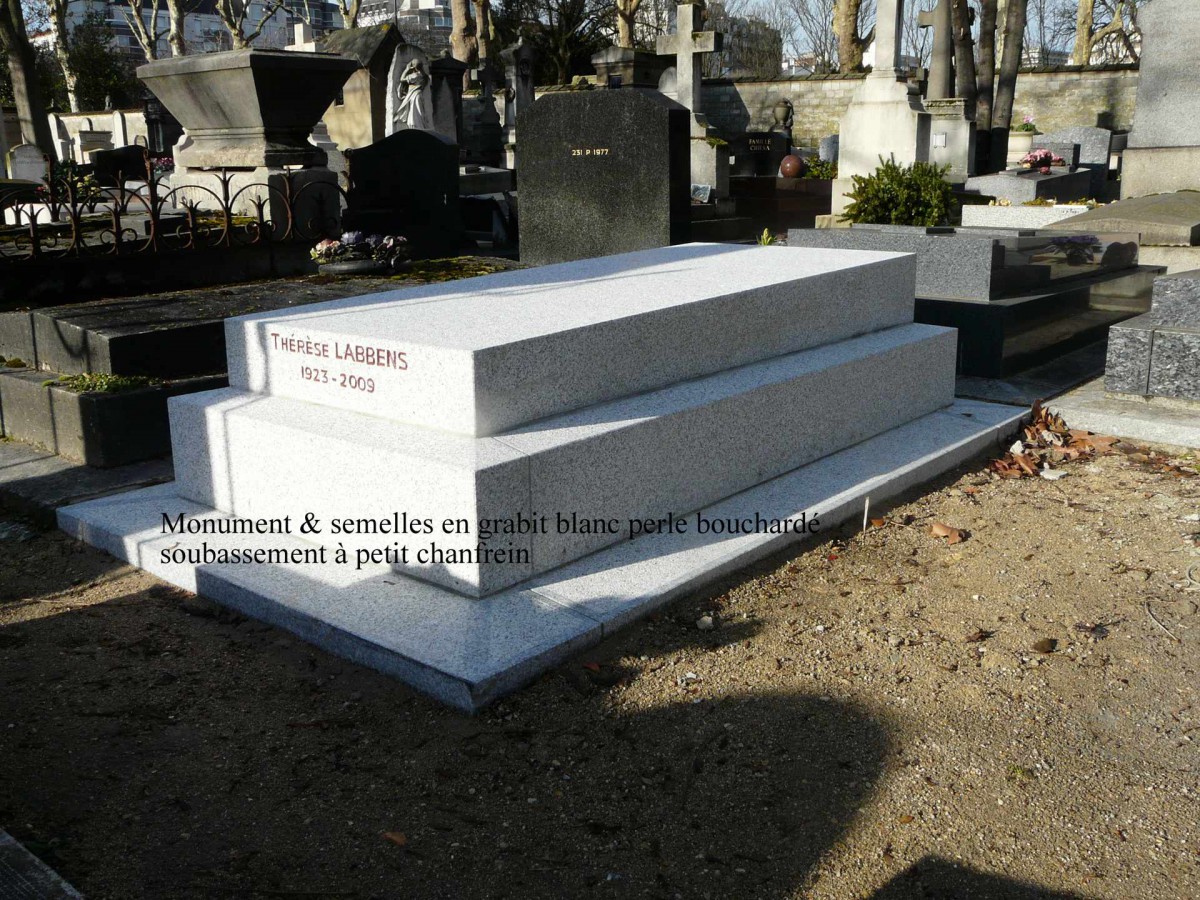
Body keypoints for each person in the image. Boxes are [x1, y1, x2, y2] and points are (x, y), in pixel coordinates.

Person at [395, 59, 432, 131]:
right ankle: (419, 127)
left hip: (414, 96)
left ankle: (416, 128)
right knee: (418, 112)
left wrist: (406, 69)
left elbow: (402, 79)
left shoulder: (414, 76)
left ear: (414, 67)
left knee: (414, 114)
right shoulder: (425, 76)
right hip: (419, 95)